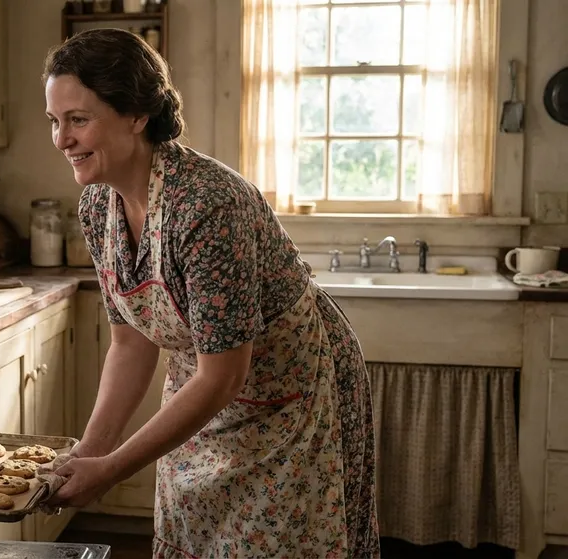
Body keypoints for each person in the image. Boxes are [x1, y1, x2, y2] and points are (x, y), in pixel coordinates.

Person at [41, 28, 381, 558]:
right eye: (55, 122)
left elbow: (224, 374)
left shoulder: (206, 204)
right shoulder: (96, 208)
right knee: (197, 536)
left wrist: (110, 471)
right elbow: (131, 344)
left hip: (289, 394)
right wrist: (91, 452)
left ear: (136, 115)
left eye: (78, 120)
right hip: (201, 390)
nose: (62, 140)